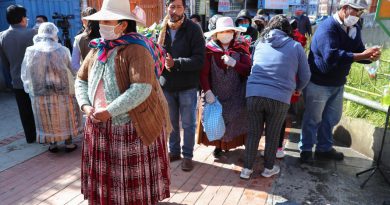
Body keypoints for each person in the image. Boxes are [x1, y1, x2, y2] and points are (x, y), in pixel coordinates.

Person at [75, 0, 172, 204]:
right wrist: (85, 105)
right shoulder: (97, 50)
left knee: (128, 183)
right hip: (98, 124)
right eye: (101, 21)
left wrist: (110, 111)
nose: (102, 26)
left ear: (123, 24)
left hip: (129, 128)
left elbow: (141, 88)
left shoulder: (136, 50)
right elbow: (80, 79)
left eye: (107, 21)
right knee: (107, 181)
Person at [299, 0, 381, 163]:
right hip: (319, 82)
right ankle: (306, 150)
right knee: (313, 118)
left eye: (360, 12)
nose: (358, 16)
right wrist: (363, 55)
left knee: (331, 118)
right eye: (356, 11)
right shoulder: (327, 27)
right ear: (345, 9)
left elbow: (358, 51)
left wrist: (370, 57)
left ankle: (324, 148)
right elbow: (331, 56)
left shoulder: (354, 28)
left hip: (337, 82)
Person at [240, 15, 311, 179]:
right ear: (288, 29)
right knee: (272, 134)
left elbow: (253, 65)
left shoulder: (259, 43)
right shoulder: (296, 46)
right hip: (280, 97)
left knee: (253, 133)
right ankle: (268, 169)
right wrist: (298, 89)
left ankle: (246, 170)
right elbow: (306, 75)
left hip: (254, 93)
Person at [158, 0, 205, 172]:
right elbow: (157, 54)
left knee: (188, 124)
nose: (175, 10)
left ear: (184, 9)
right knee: (170, 123)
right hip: (167, 85)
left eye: (178, 6)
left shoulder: (193, 29)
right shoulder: (161, 29)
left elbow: (199, 59)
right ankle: (174, 151)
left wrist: (175, 63)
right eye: (172, 6)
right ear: (167, 8)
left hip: (187, 86)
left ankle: (187, 156)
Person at [21, 22, 83, 152]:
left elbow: (26, 72)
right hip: (63, 90)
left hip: (40, 91)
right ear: (54, 33)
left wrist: (29, 87)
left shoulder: (31, 51)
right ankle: (68, 143)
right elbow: (72, 69)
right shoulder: (62, 50)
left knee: (47, 117)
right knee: (65, 116)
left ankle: (52, 143)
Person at [197, 17, 251, 158]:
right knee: (216, 120)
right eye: (222, 31)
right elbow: (203, 74)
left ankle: (232, 145)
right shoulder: (209, 50)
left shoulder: (241, 48)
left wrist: (235, 64)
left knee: (235, 119)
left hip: (236, 93)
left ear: (234, 32)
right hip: (215, 92)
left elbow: (248, 70)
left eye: (228, 31)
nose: (225, 34)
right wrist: (207, 91)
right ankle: (218, 147)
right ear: (216, 33)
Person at [0, 5, 37, 143]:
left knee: (24, 110)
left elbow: (4, 61)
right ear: (22, 18)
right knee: (37, 109)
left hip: (16, 80)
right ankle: (42, 135)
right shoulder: (33, 33)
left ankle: (30, 137)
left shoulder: (2, 36)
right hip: (34, 79)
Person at [71, 7, 99, 71]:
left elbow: (74, 65)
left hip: (87, 78)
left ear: (83, 20)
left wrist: (87, 73)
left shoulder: (79, 39)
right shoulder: (106, 36)